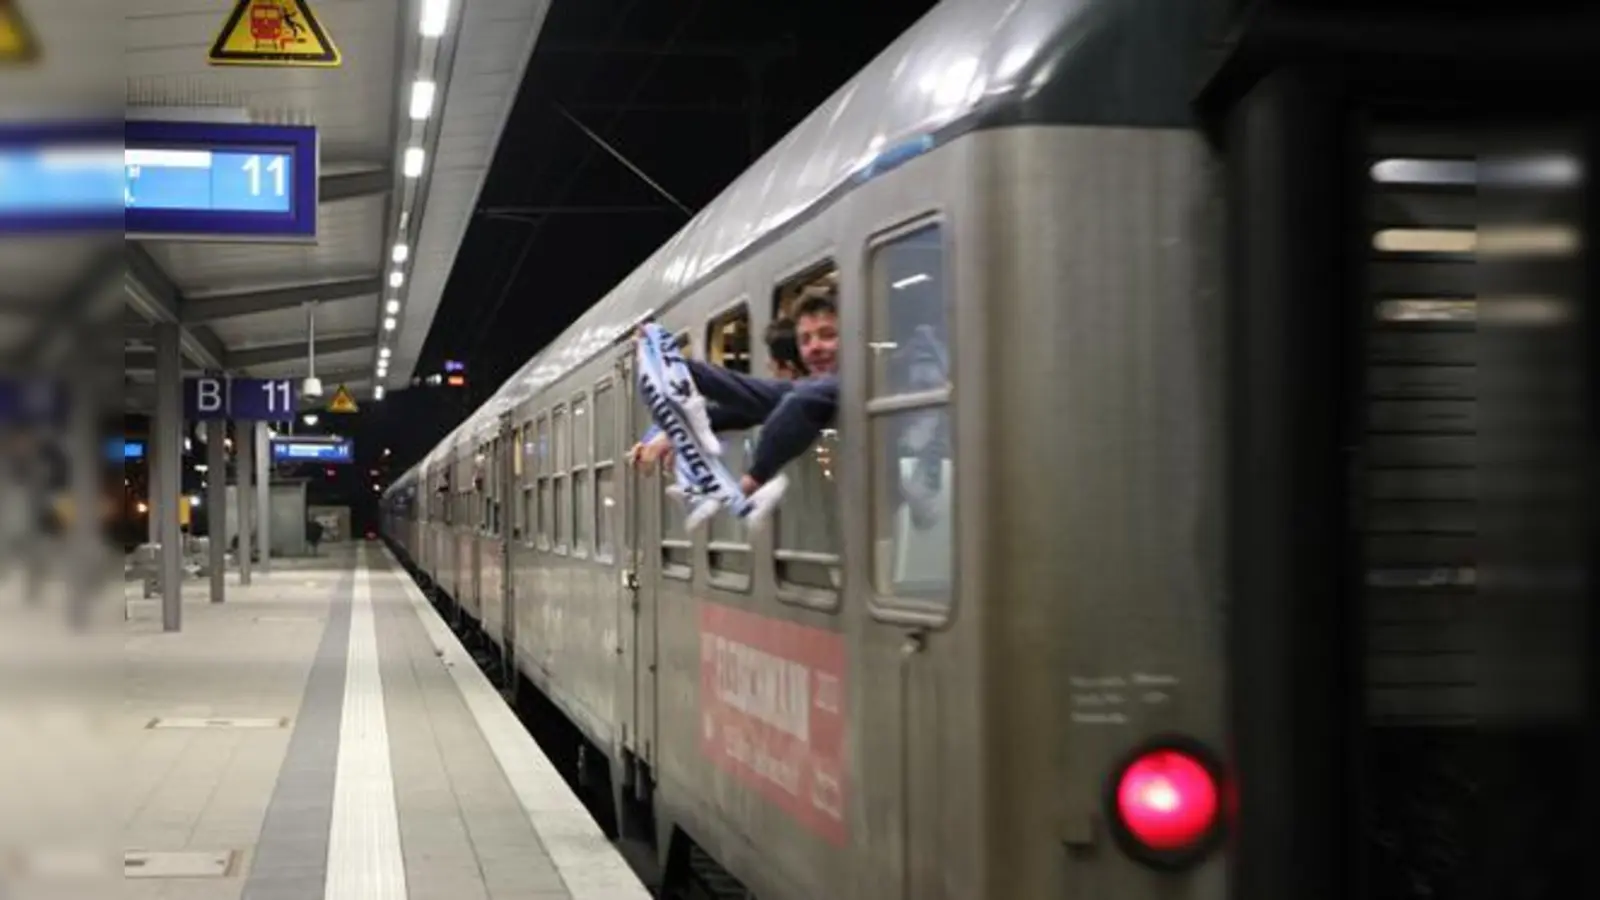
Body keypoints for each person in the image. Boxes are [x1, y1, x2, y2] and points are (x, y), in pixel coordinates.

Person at [629, 294, 840, 494]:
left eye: (828, 335)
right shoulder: (808, 387)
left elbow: (793, 402)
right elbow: (743, 398)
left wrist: (752, 480)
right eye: (805, 340)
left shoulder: (825, 389)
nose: (814, 348)